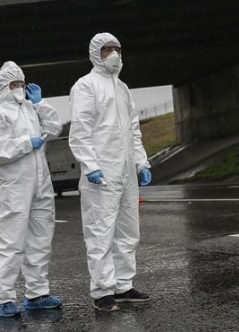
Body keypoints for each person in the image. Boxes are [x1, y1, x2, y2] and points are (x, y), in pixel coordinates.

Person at [69, 32, 153, 312]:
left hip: (127, 170)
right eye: (107, 49)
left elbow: (133, 129)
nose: (114, 54)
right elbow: (79, 131)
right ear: (96, 53)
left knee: (129, 230)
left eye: (117, 48)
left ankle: (123, 285)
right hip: (102, 173)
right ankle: (102, 290)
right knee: (100, 232)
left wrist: (141, 162)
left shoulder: (123, 88)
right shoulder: (86, 86)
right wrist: (90, 166)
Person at [0, 61, 63, 318]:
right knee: (11, 241)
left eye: (21, 84)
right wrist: (26, 142)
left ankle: (37, 293)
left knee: (41, 239)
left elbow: (54, 129)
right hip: (15, 184)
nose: (19, 88)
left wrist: (41, 104)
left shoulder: (30, 109)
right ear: (3, 86)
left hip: (41, 182)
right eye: (14, 84)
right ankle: (2, 299)